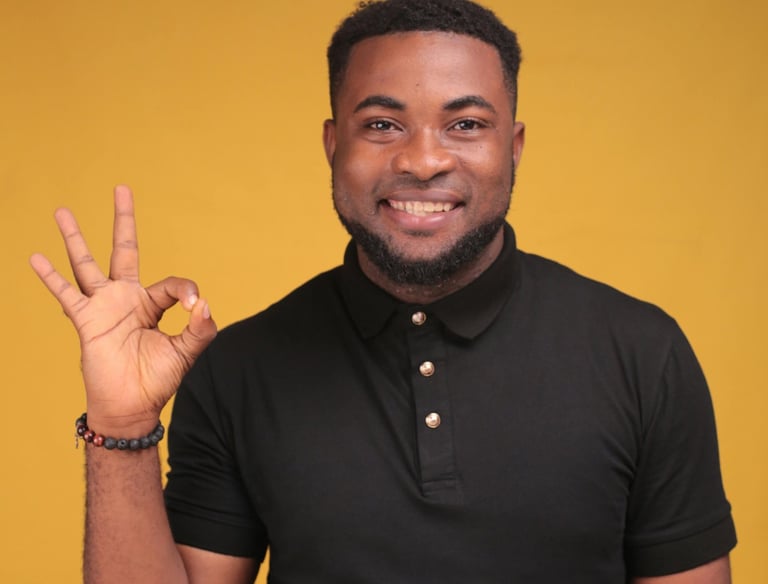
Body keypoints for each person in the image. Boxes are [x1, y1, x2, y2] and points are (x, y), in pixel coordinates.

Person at [30, 0, 736, 582]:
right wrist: (120, 422)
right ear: (333, 145)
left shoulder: (642, 352)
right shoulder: (238, 368)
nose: (423, 160)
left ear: (514, 147)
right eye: (382, 125)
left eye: (466, 124)